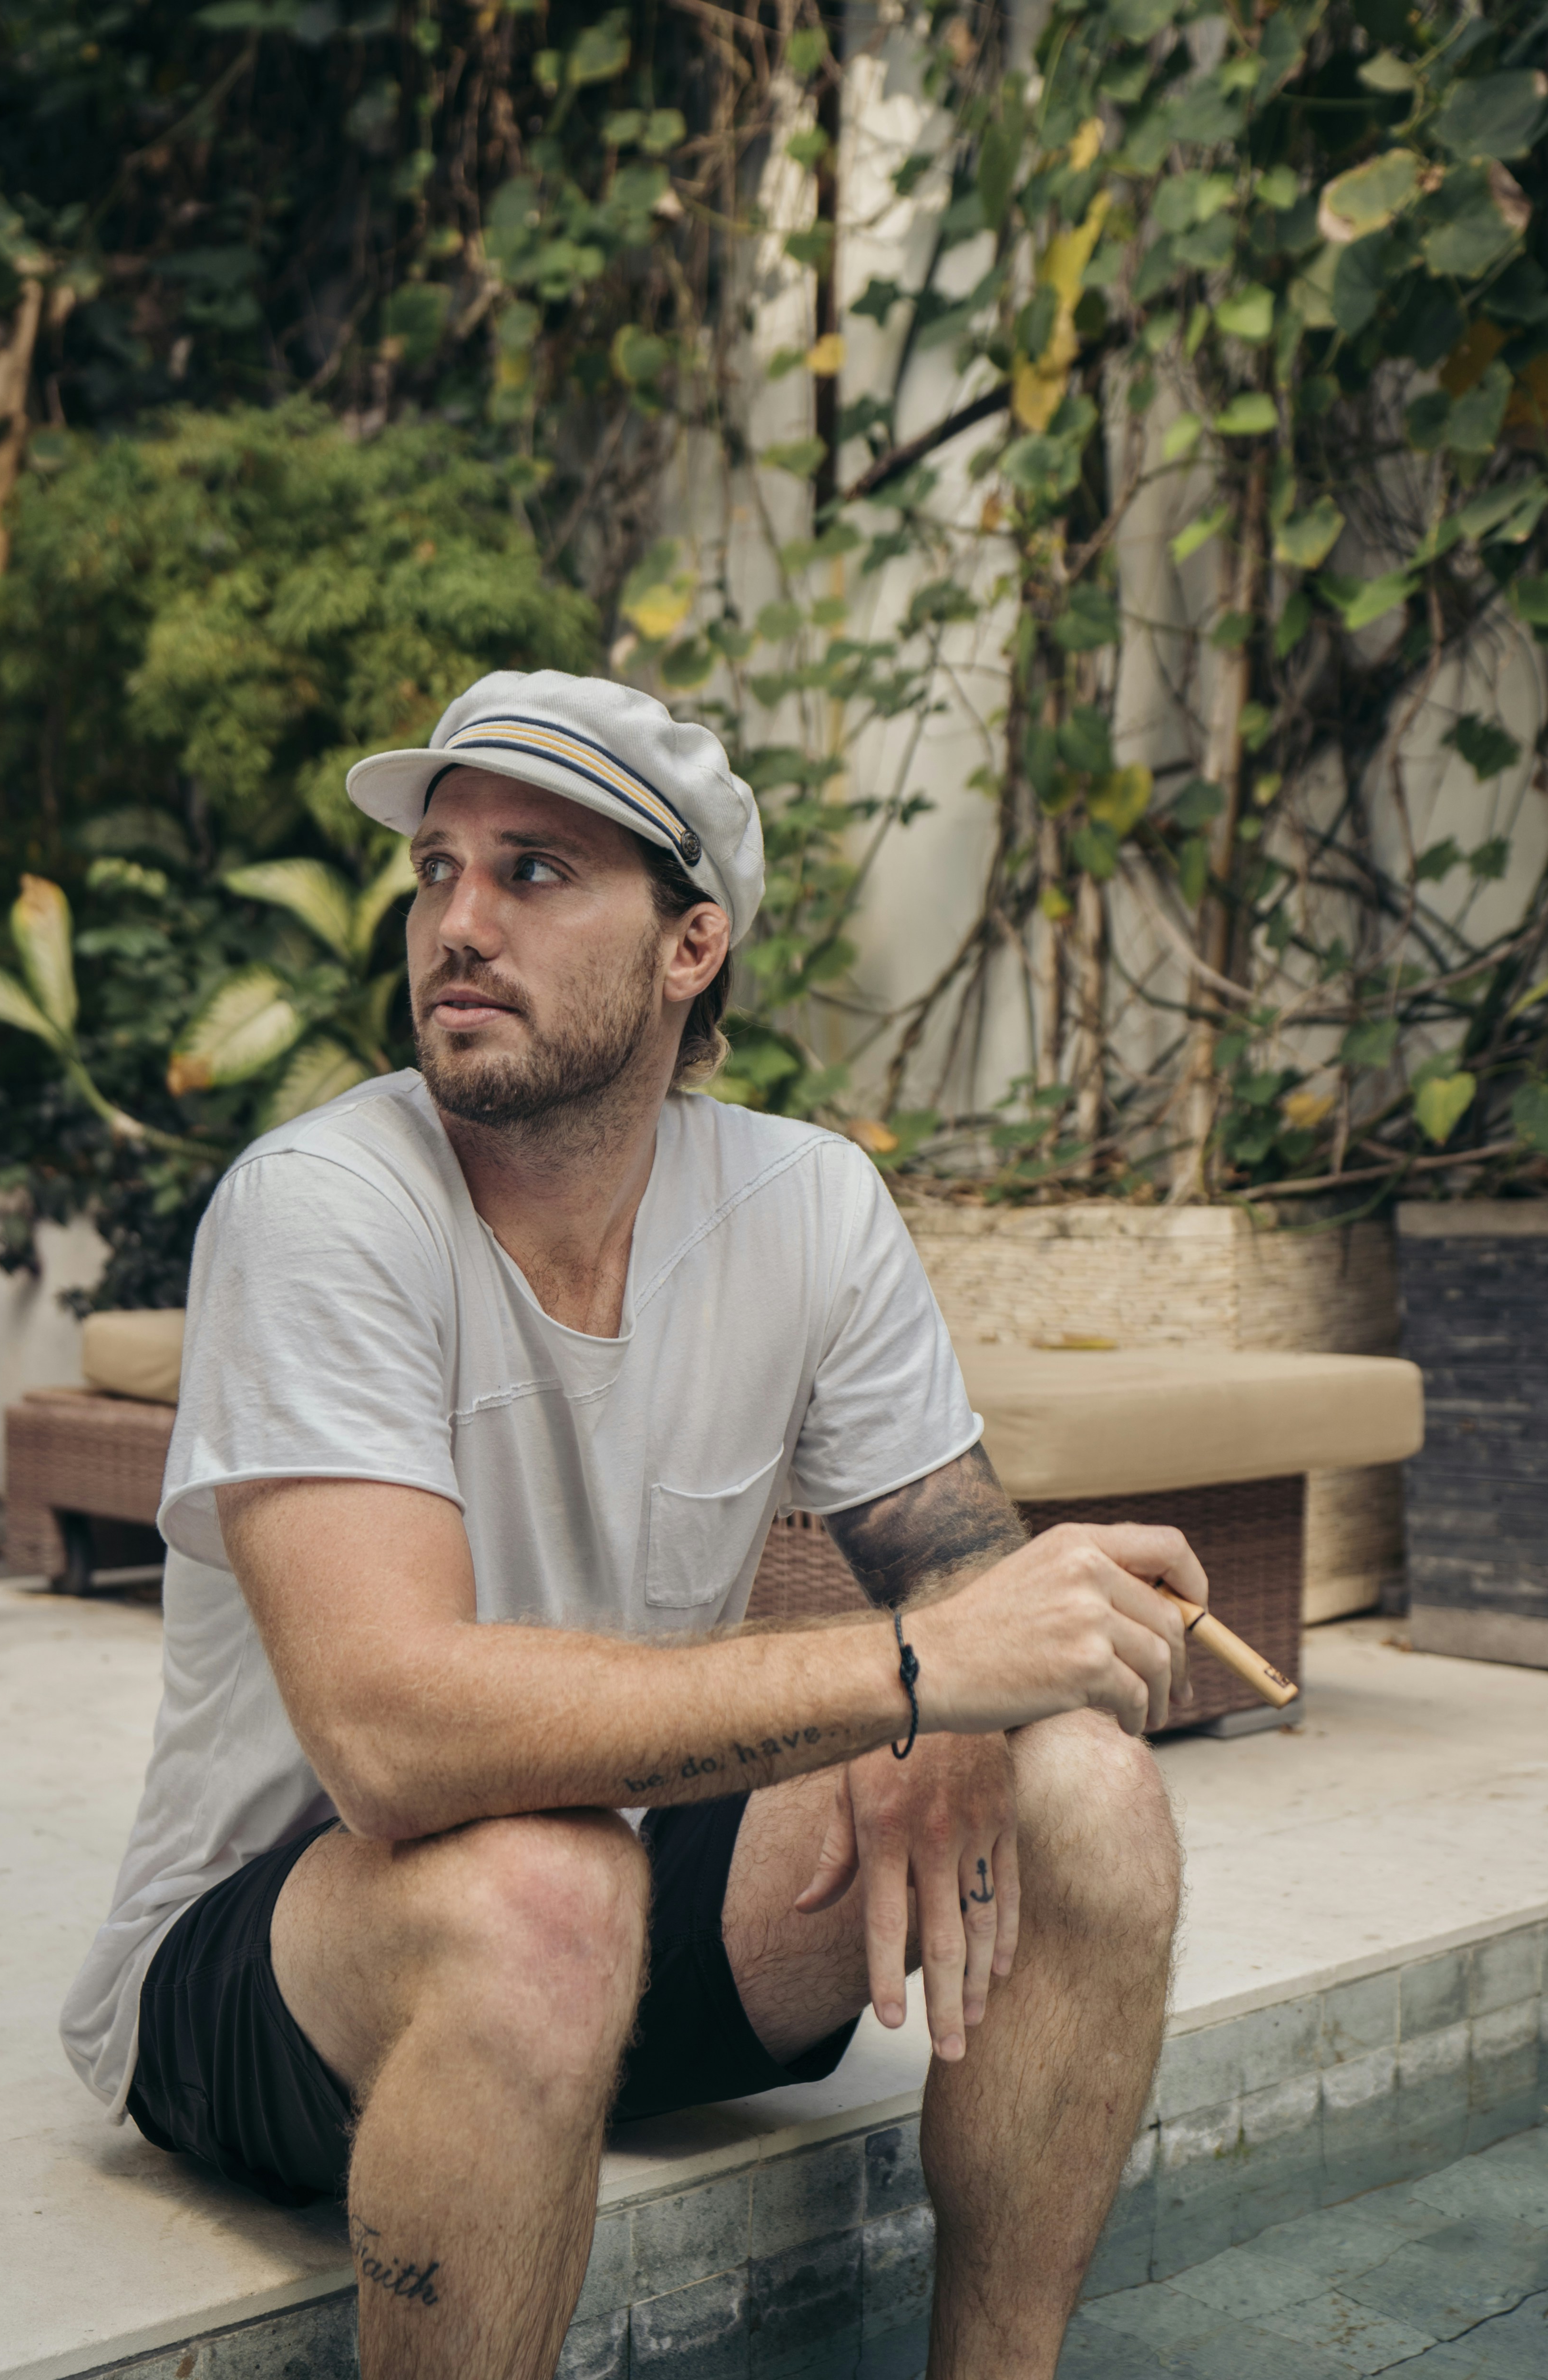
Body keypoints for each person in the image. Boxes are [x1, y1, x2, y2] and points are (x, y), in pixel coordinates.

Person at [61, 670, 1196, 2380]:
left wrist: (980, 1687)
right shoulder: (325, 1207)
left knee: (1086, 1796)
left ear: (691, 946)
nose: (459, 920)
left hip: (607, 1887)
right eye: (437, 868)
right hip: (283, 1950)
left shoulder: (805, 1202)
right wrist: (912, 1670)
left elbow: (968, 1575)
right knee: (541, 1892)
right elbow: (386, 1734)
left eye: (533, 872)